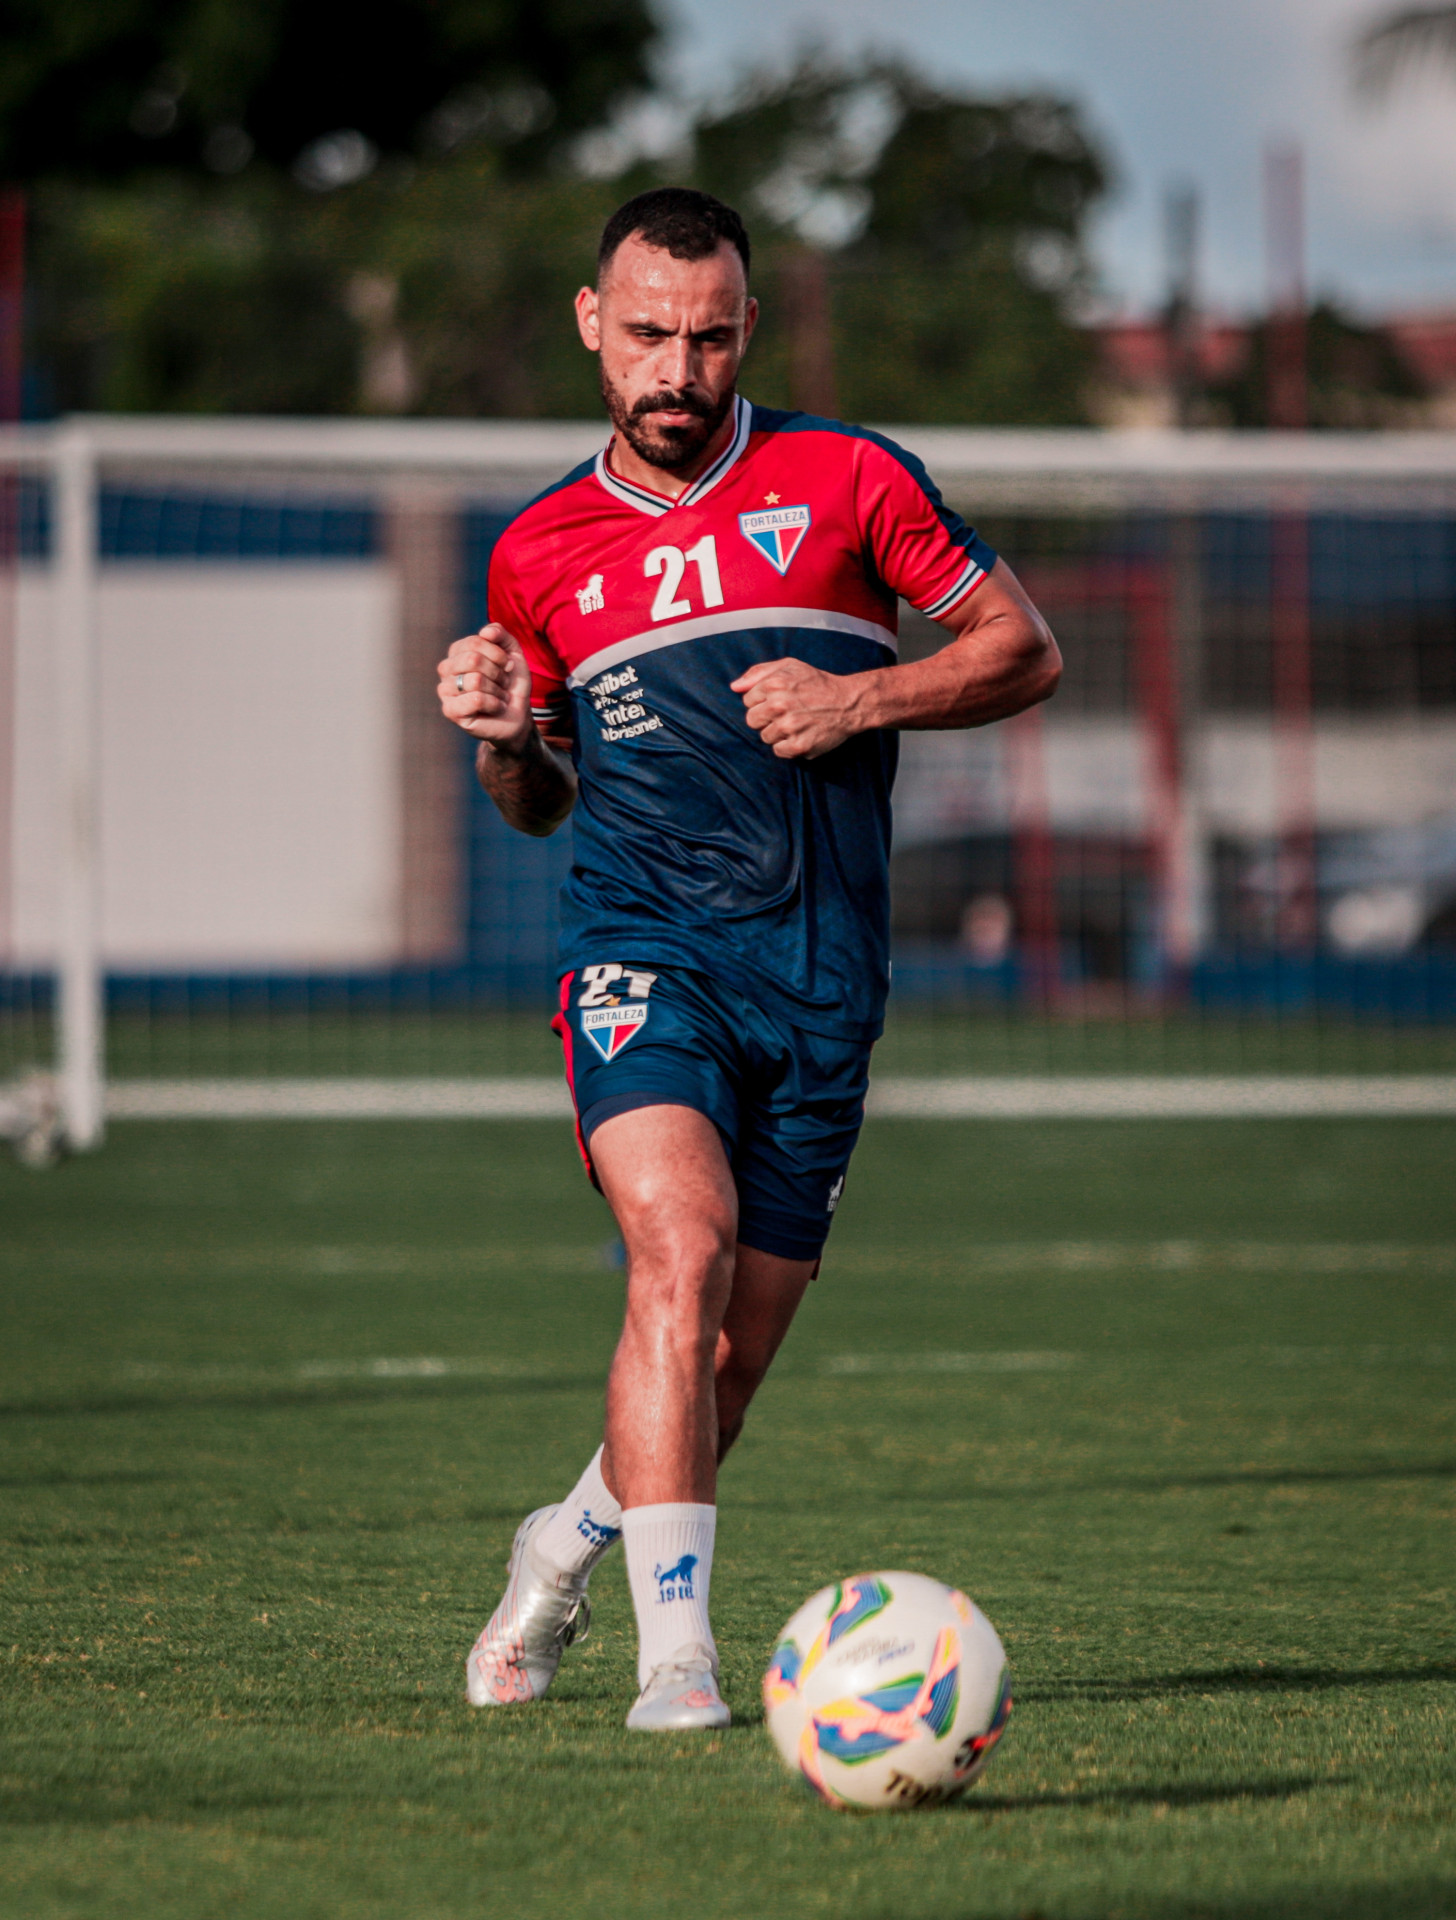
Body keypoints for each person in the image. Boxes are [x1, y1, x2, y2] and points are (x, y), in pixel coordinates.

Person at [437, 187, 1060, 1732]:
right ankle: (681, 1671)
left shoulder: (849, 479)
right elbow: (537, 804)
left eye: (709, 338)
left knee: (724, 1361)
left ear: (748, 332)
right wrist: (507, 740)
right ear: (594, 323)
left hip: (825, 976)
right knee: (678, 1248)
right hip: (642, 949)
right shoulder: (539, 551)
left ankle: (566, 1544)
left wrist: (865, 700)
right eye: (648, 334)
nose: (677, 368)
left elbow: (1022, 648)